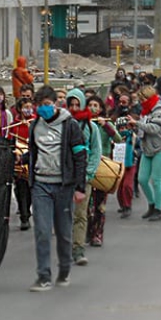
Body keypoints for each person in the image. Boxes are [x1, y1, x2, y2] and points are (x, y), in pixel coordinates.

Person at [18, 85, 87, 291]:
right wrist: (22, 159)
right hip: (41, 185)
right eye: (40, 106)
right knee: (42, 231)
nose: (43, 109)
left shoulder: (70, 125)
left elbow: (79, 156)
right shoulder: (35, 125)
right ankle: (43, 276)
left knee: (64, 233)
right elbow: (34, 151)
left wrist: (79, 187)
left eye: (47, 105)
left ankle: (64, 270)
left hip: (64, 186)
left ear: (56, 103)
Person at [125, 86, 161, 222]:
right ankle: (151, 204)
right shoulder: (145, 112)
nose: (141, 102)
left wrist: (138, 123)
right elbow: (143, 129)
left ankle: (158, 209)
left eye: (143, 99)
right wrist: (134, 125)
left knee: (156, 180)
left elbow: (153, 128)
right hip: (148, 149)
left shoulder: (159, 111)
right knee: (142, 179)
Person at [65, 88, 101, 264]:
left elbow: (96, 151)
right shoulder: (61, 124)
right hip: (64, 176)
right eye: (71, 104)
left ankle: (78, 249)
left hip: (83, 177)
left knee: (80, 214)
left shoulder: (91, 127)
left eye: (77, 104)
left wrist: (88, 173)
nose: (74, 108)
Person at [85, 95, 122, 247]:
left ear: (101, 109)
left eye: (96, 105)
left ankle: (97, 234)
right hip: (87, 166)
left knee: (100, 204)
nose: (93, 108)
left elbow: (118, 139)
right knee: (87, 204)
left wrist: (106, 126)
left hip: (103, 168)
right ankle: (87, 231)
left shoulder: (106, 124)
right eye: (90, 105)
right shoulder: (83, 124)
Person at [110, 93, 139, 218]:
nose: (123, 130)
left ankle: (128, 206)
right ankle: (123, 205)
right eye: (121, 128)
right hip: (118, 164)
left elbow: (139, 147)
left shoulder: (132, 137)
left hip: (130, 162)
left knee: (127, 185)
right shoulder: (115, 139)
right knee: (120, 187)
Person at [9, 97, 35, 231]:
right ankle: (24, 216)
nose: (28, 110)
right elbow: (10, 141)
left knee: (30, 189)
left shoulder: (37, 122)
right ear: (19, 109)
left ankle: (27, 210)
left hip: (32, 160)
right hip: (19, 161)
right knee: (20, 188)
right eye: (25, 107)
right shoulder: (14, 125)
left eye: (30, 107)